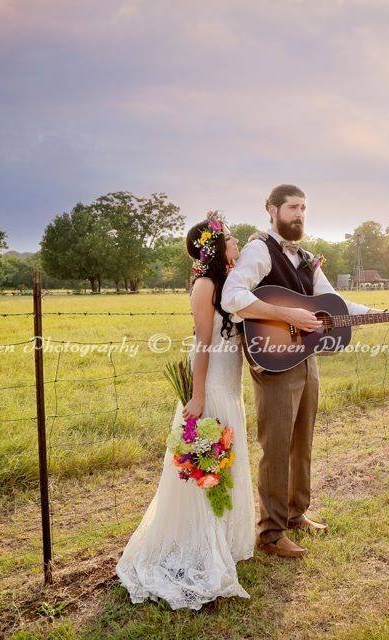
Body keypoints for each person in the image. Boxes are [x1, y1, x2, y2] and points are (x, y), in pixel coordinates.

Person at [222, 184, 389, 558]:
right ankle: (271, 533)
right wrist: (286, 314)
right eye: (293, 208)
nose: (300, 215)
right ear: (271, 210)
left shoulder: (306, 257)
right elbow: (233, 297)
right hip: (274, 358)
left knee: (301, 441)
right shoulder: (260, 249)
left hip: (305, 357)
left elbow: (334, 304)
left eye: (304, 208)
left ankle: (295, 513)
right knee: (276, 447)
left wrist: (385, 315)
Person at [117, 212, 255, 609]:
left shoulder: (230, 284)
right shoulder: (205, 286)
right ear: (213, 248)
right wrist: (196, 399)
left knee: (228, 466)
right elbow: (203, 346)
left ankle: (223, 540)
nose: (236, 242)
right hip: (209, 391)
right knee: (206, 473)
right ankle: (197, 546)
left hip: (231, 389)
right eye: (230, 238)